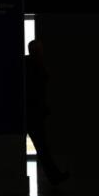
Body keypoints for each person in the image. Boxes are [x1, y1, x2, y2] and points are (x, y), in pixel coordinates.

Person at [25, 39, 68, 185]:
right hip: (34, 114)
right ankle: (54, 176)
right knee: (43, 147)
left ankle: (54, 176)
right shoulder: (36, 66)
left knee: (43, 147)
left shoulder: (28, 64)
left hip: (32, 112)